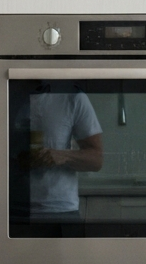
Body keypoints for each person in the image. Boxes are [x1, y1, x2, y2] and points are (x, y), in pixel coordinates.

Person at [13, 91, 104, 219]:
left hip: (59, 210)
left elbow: (96, 159)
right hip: (10, 208)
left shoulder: (72, 97)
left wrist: (63, 156)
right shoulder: (6, 94)